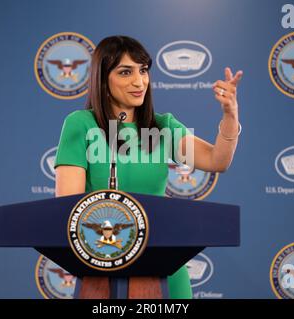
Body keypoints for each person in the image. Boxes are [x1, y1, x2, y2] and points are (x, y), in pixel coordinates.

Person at [54, 35, 243, 299]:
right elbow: (68, 207)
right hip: (103, 264)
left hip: (164, 270)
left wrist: (230, 115)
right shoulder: (82, 124)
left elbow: (216, 160)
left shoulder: (162, 126)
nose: (139, 81)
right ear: (103, 80)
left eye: (143, 71)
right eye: (125, 72)